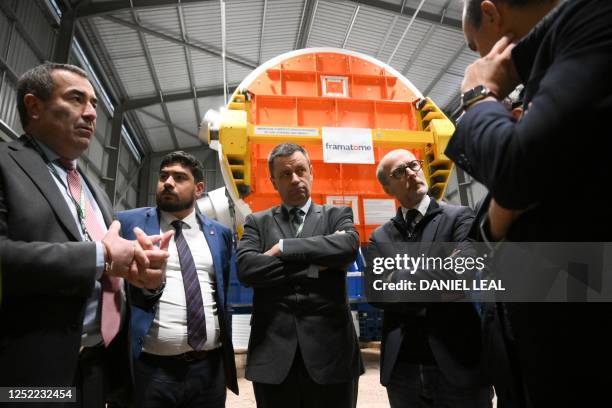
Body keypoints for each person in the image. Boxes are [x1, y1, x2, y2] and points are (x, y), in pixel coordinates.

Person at [447, 0, 612, 406]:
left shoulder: (590, 18)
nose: (478, 58)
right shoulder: (556, 65)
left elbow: (519, 171)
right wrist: (496, 224)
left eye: (473, 46)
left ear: (492, 14)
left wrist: (477, 95)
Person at [0, 62, 170, 407]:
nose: (91, 113)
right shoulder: (5, 163)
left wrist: (145, 281)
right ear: (34, 106)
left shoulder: (94, 189)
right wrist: (101, 256)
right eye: (77, 99)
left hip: (96, 369)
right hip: (31, 374)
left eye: (94, 103)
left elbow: (108, 277)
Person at [236, 142, 363, 408]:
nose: (295, 179)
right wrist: (317, 263)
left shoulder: (337, 214)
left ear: (311, 172)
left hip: (332, 355)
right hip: (273, 356)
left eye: (300, 170)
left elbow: (348, 248)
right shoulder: (256, 222)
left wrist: (283, 248)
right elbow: (247, 269)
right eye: (285, 174)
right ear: (273, 181)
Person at [365, 149, 491, 408]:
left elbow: (461, 275)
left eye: (413, 165)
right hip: (403, 369)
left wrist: (398, 279)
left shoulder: (460, 217)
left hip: (458, 361)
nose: (411, 172)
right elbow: (377, 291)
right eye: (399, 172)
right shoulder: (381, 236)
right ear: (388, 189)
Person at [117, 151, 238, 407]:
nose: (168, 182)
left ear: (199, 189)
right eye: (163, 176)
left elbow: (224, 291)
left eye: (179, 177)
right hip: (150, 370)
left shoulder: (221, 234)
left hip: (209, 370)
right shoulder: (129, 224)